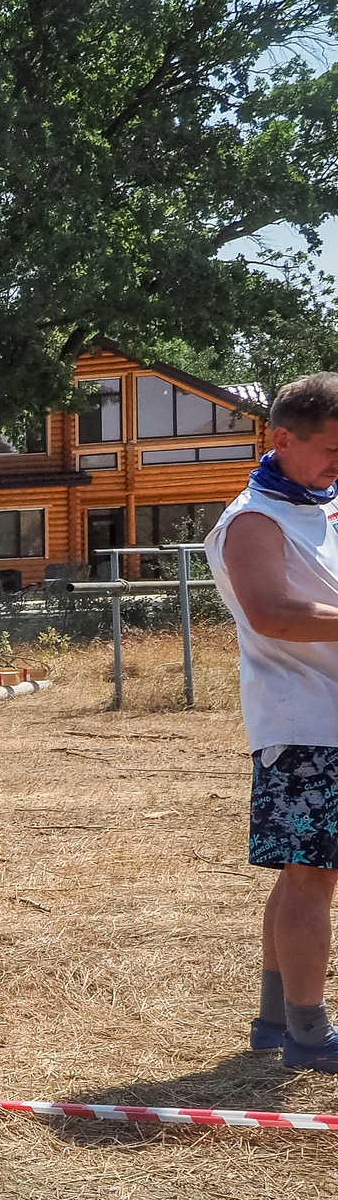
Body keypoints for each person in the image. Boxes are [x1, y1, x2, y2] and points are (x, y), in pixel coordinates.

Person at [204, 372, 338, 1070]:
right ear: (283, 438)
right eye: (332, 449)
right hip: (305, 724)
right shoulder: (254, 520)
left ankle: (275, 1021)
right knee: (313, 877)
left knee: (303, 874)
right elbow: (270, 612)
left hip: (325, 720)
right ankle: (308, 1035)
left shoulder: (320, 503)